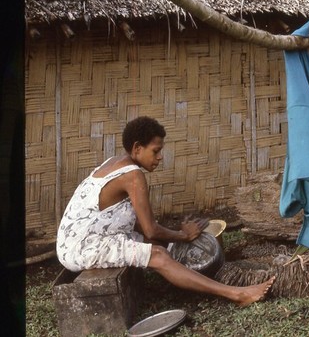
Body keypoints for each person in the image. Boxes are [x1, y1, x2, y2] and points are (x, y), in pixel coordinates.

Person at [56, 116, 275, 306]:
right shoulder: (133, 175)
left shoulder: (114, 163)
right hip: (82, 247)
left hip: (78, 239)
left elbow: (134, 222)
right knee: (158, 254)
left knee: (157, 245)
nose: (160, 157)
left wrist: (171, 237)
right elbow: (150, 230)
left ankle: (184, 275)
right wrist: (183, 235)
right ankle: (237, 294)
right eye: (156, 151)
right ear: (137, 148)